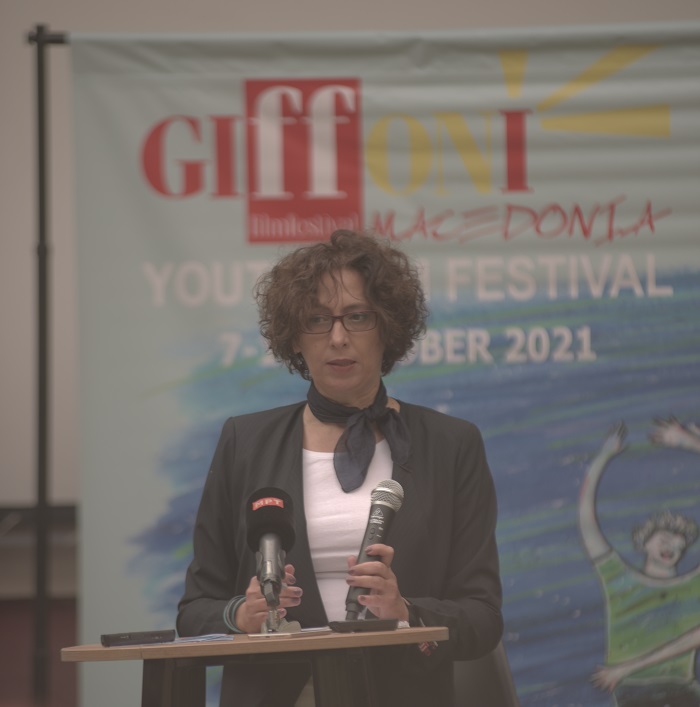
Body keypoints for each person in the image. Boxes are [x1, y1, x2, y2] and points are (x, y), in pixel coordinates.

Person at [176, 230, 503, 706]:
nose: (337, 337)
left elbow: (482, 618)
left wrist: (406, 613)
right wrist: (240, 615)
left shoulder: (451, 445)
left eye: (358, 316)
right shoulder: (244, 442)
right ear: (294, 338)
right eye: (316, 320)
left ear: (388, 327)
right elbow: (193, 612)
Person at [579, 421, 700, 707]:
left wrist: (691, 443)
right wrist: (603, 457)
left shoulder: (695, 584)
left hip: (680, 690)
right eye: (665, 539)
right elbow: (587, 521)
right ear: (643, 542)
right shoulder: (617, 578)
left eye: (679, 544)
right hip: (633, 695)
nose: (671, 547)